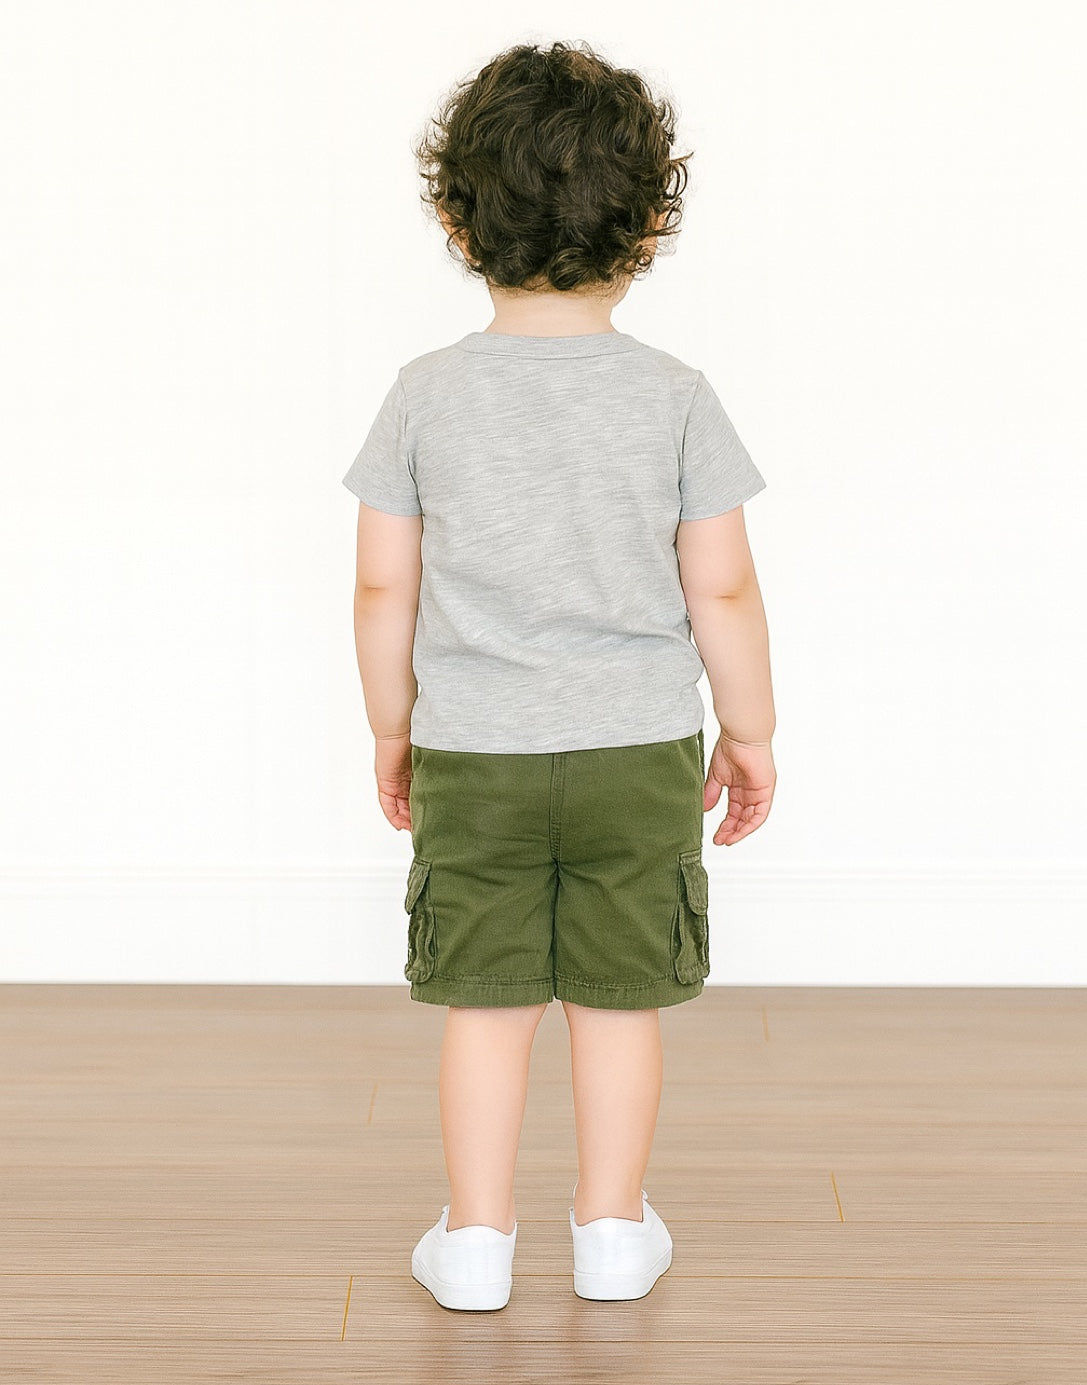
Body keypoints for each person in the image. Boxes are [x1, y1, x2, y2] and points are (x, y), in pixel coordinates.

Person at [343, 38, 776, 1312]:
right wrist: (749, 729)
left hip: (474, 750)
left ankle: (476, 1241)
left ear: (454, 220)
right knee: (615, 1001)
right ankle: (611, 1230)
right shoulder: (676, 397)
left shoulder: (421, 396)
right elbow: (723, 589)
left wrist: (391, 728)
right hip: (636, 754)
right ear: (647, 227)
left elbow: (381, 589)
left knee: (485, 1005)